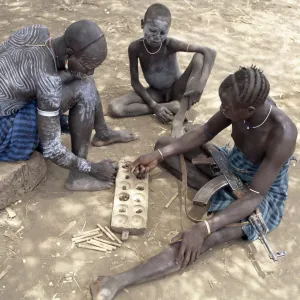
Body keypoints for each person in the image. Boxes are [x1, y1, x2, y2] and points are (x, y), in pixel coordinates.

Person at [89, 66, 297, 300]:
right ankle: (218, 192)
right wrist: (159, 155)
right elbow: (205, 132)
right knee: (164, 144)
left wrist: (204, 227)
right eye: (221, 103)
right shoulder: (239, 104)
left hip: (259, 194)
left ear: (249, 110)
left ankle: (115, 282)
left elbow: (255, 195)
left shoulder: (283, 133)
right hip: (231, 166)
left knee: (208, 237)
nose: (222, 109)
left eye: (226, 107)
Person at [0, 20, 137, 191]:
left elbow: (40, 75)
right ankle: (77, 177)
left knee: (83, 78)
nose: (91, 71)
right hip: (5, 129)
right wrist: (93, 168)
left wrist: (75, 73)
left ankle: (102, 133)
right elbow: (52, 150)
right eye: (88, 66)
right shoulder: (47, 81)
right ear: (69, 53)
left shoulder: (37, 31)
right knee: (84, 86)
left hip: (10, 100)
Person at [108, 3, 216, 138]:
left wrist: (200, 86)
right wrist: (155, 107)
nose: (157, 37)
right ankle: (171, 107)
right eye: (152, 30)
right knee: (115, 108)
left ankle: (179, 116)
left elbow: (210, 52)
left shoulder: (170, 44)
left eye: (163, 32)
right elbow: (135, 82)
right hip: (156, 93)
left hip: (178, 89)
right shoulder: (135, 48)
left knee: (199, 57)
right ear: (142, 24)